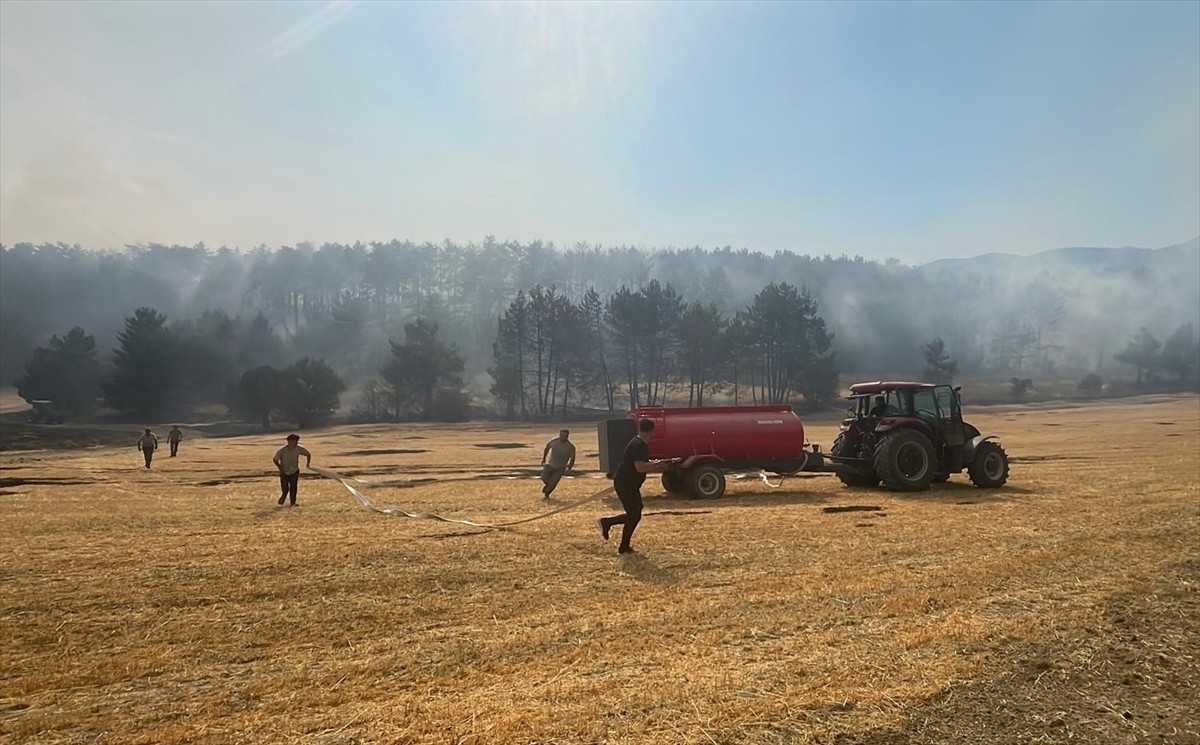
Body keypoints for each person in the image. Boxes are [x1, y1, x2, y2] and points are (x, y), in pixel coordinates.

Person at [597, 418, 667, 555]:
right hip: (625, 484)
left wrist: (657, 463)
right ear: (652, 431)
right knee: (634, 514)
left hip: (629, 484)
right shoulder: (638, 445)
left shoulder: (639, 443)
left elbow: (642, 463)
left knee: (635, 513)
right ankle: (616, 536)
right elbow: (640, 467)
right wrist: (658, 465)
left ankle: (617, 536)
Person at [273, 434, 312, 507]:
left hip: (294, 471)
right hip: (284, 472)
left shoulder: (298, 449)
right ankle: (283, 498)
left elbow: (308, 454)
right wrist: (280, 468)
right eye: (294, 441)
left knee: (293, 488)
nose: (296, 442)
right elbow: (275, 459)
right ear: (289, 441)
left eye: (296, 441)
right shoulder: (282, 450)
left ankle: (293, 503)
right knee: (285, 489)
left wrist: (308, 463)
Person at [540, 428, 576, 499]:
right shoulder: (554, 441)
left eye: (564, 436)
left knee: (553, 483)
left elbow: (572, 458)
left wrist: (569, 467)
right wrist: (544, 458)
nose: (562, 437)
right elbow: (547, 448)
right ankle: (547, 486)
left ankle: (547, 494)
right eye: (561, 435)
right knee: (544, 477)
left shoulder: (570, 447)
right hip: (550, 464)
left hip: (560, 468)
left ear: (567, 436)